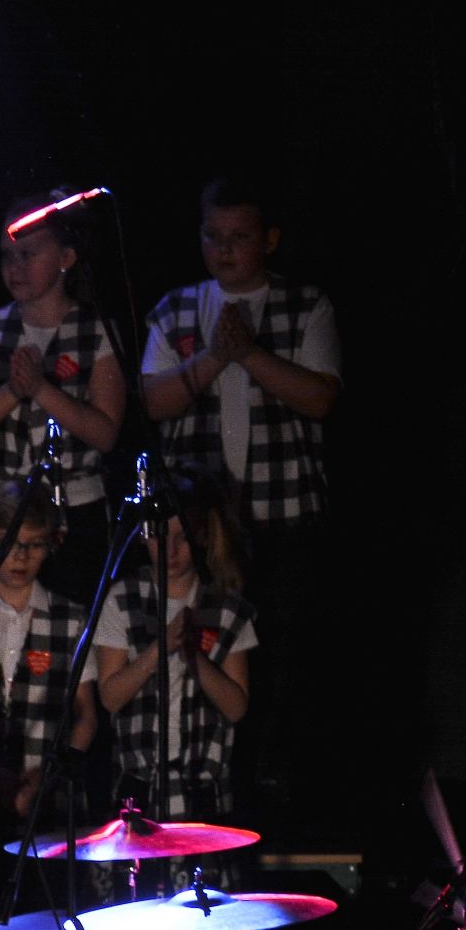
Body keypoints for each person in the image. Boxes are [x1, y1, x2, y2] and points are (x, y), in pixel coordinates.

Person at [138, 175, 336, 811]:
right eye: (212, 236)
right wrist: (215, 358)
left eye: (239, 237)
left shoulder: (304, 304)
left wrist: (247, 353)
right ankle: (202, 775)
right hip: (202, 526)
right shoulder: (176, 309)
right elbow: (153, 400)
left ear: (269, 240)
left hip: (285, 514)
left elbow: (320, 396)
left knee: (280, 650)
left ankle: (276, 786)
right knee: (208, 645)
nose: (223, 250)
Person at [0, 195, 125, 589]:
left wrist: (41, 389)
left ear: (66, 257)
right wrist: (14, 390)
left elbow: (106, 433)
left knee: (72, 611)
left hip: (74, 509)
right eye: (7, 256)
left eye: (27, 254)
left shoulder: (96, 330)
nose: (15, 267)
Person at [95, 473, 254, 822]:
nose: (170, 550)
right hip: (138, 786)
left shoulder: (226, 607)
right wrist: (160, 648)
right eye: (160, 537)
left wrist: (193, 657)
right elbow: (110, 697)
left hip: (204, 787)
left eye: (182, 538)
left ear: (201, 537)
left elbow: (236, 706)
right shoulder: (122, 599)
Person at [0, 478, 97, 823]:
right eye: (8, 543)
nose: (21, 556)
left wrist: (50, 774)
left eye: (34, 545)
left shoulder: (71, 620)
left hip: (49, 795)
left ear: (50, 544)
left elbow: (86, 714)